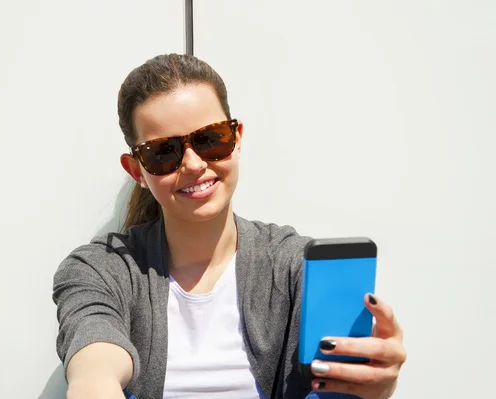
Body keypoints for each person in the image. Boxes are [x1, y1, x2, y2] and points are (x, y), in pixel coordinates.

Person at [52, 53, 407, 399]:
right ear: (136, 171)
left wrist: (371, 385)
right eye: (163, 152)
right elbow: (94, 350)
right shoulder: (102, 268)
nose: (193, 164)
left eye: (210, 139)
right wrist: (92, 382)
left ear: (236, 138)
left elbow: (348, 376)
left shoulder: (295, 265)